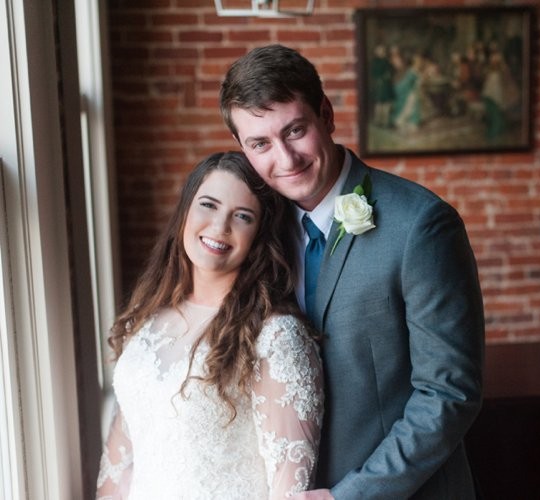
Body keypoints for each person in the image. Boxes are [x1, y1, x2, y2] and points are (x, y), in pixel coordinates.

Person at [219, 44, 485, 499]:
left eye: (295, 130)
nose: (285, 159)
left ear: (326, 114)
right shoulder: (256, 229)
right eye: (260, 144)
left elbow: (449, 394)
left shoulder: (420, 224)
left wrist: (351, 496)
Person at [96, 152, 324, 498]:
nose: (220, 227)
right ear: (185, 211)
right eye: (208, 205)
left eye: (243, 216)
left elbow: (289, 489)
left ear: (260, 236)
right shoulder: (146, 319)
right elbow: (118, 465)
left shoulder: (275, 336)